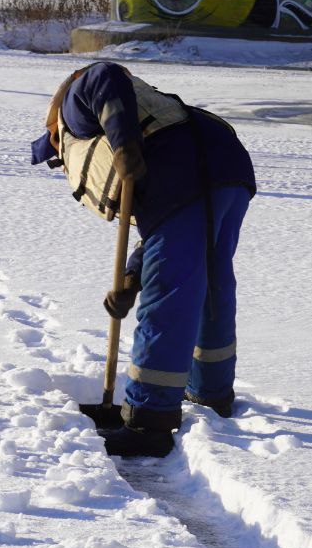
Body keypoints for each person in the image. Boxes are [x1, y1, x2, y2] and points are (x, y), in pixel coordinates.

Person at [30, 61, 255, 458]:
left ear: (56, 142)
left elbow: (105, 74)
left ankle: (149, 421)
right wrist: (132, 279)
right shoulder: (132, 119)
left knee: (170, 292)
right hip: (225, 162)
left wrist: (123, 145)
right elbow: (159, 231)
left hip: (184, 164)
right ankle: (211, 392)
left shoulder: (71, 110)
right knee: (210, 281)